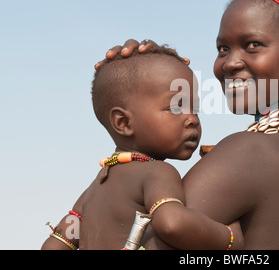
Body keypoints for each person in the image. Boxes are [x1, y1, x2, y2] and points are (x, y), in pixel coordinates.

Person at [99, 0, 279, 249]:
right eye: (223, 48)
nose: (229, 63)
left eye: (253, 44)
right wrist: (136, 77)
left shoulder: (251, 152)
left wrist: (128, 95)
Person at [41, 42, 242, 250]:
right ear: (123, 123)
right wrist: (230, 237)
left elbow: (54, 245)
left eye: (195, 108)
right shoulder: (156, 172)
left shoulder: (94, 189)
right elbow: (172, 224)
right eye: (176, 107)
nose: (192, 119)